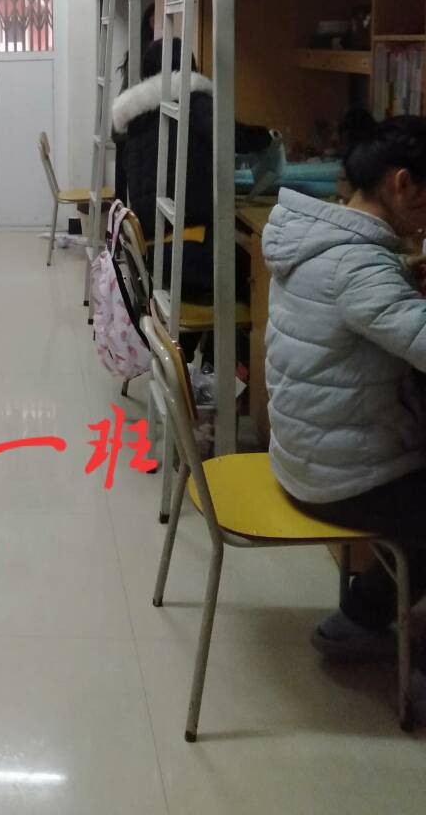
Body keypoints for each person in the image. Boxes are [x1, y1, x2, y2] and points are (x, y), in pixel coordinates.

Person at [262, 112, 426, 715]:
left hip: (304, 450)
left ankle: (358, 619)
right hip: (338, 473)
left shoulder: (316, 236)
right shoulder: (358, 265)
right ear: (402, 184)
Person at [111, 36, 272, 300]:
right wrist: (267, 136)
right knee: (262, 272)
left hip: (153, 253)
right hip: (184, 252)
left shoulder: (137, 117)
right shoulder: (193, 102)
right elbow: (230, 135)